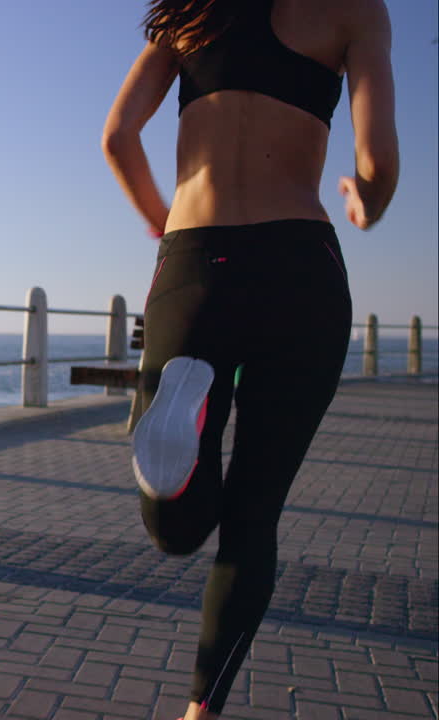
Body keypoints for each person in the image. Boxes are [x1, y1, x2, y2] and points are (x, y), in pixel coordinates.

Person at [101, 1, 397, 718]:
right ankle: (202, 711)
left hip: (197, 257)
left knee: (176, 529)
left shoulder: (192, 9)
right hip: (302, 266)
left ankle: (178, 443)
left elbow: (118, 136)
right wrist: (367, 200)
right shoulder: (356, 9)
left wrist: (163, 221)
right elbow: (377, 163)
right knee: (255, 514)